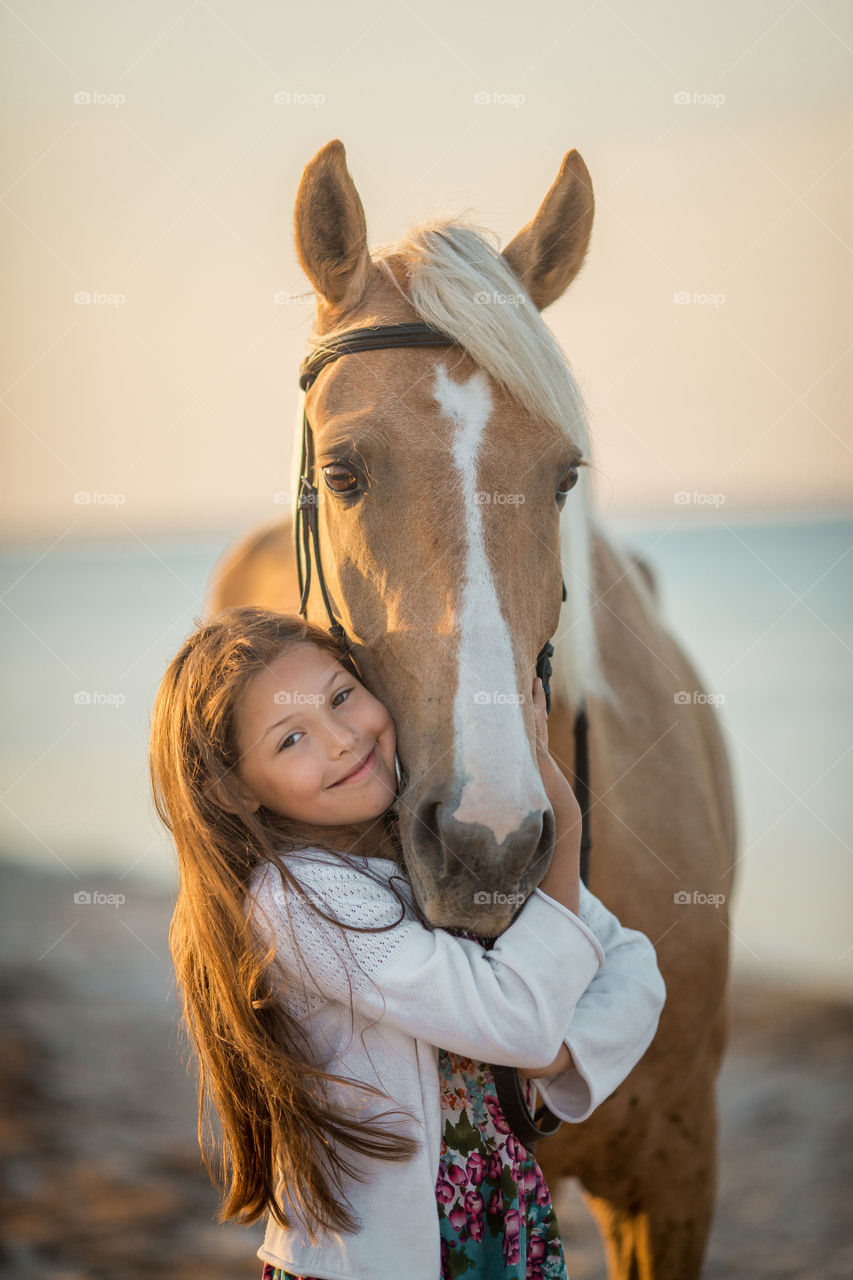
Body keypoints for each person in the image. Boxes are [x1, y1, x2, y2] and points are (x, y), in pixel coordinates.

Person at [148, 605, 666, 1280]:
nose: (339, 739)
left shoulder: (430, 841)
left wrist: (565, 1052)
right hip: (376, 1259)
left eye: (341, 696)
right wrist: (559, 822)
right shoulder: (298, 902)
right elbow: (517, 1022)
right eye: (289, 740)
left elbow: (631, 963)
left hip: (501, 1221)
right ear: (231, 791)